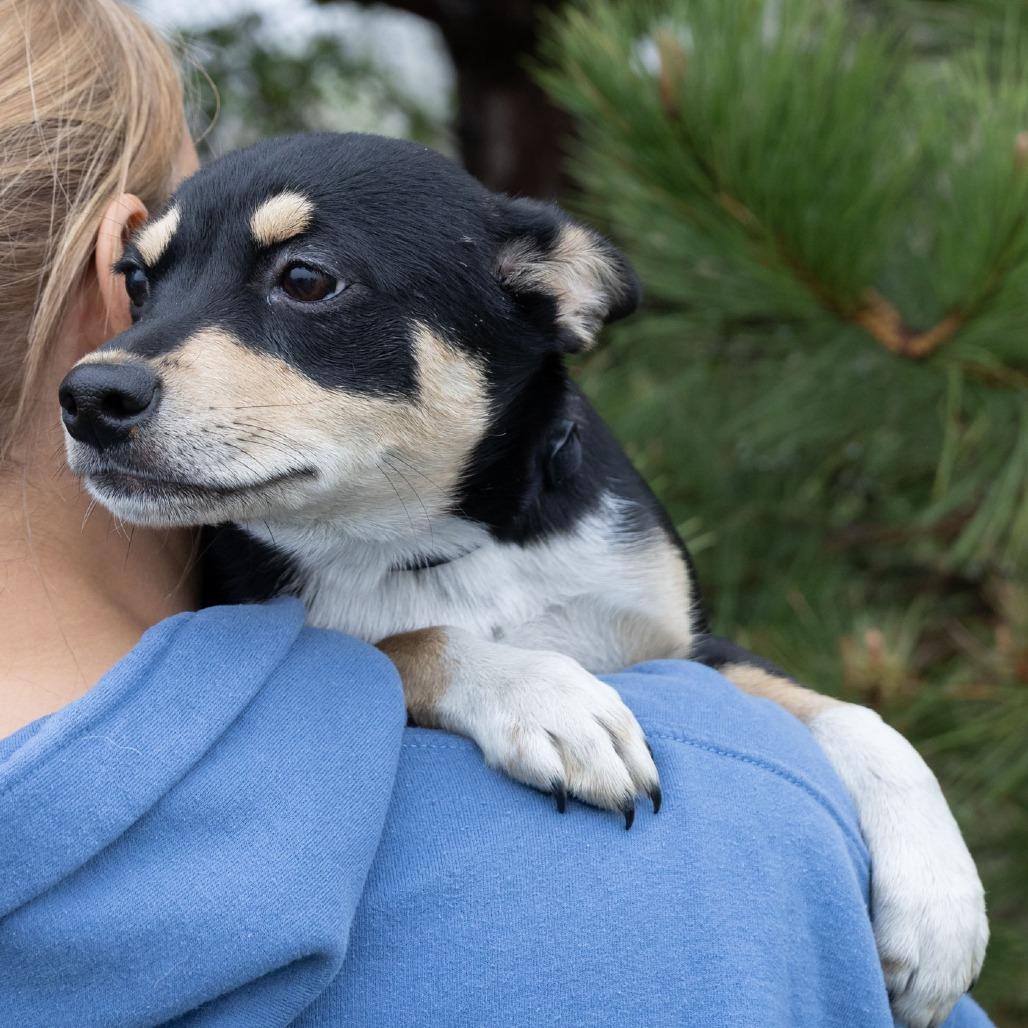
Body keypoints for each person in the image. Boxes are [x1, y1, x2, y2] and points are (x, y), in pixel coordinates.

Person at [0, 2, 991, 1025]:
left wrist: (876, 760)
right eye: (152, 278)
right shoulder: (743, 823)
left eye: (303, 281)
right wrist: (452, 668)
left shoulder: (610, 538)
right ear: (111, 277)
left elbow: (702, 662)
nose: (129, 366)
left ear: (541, 298)